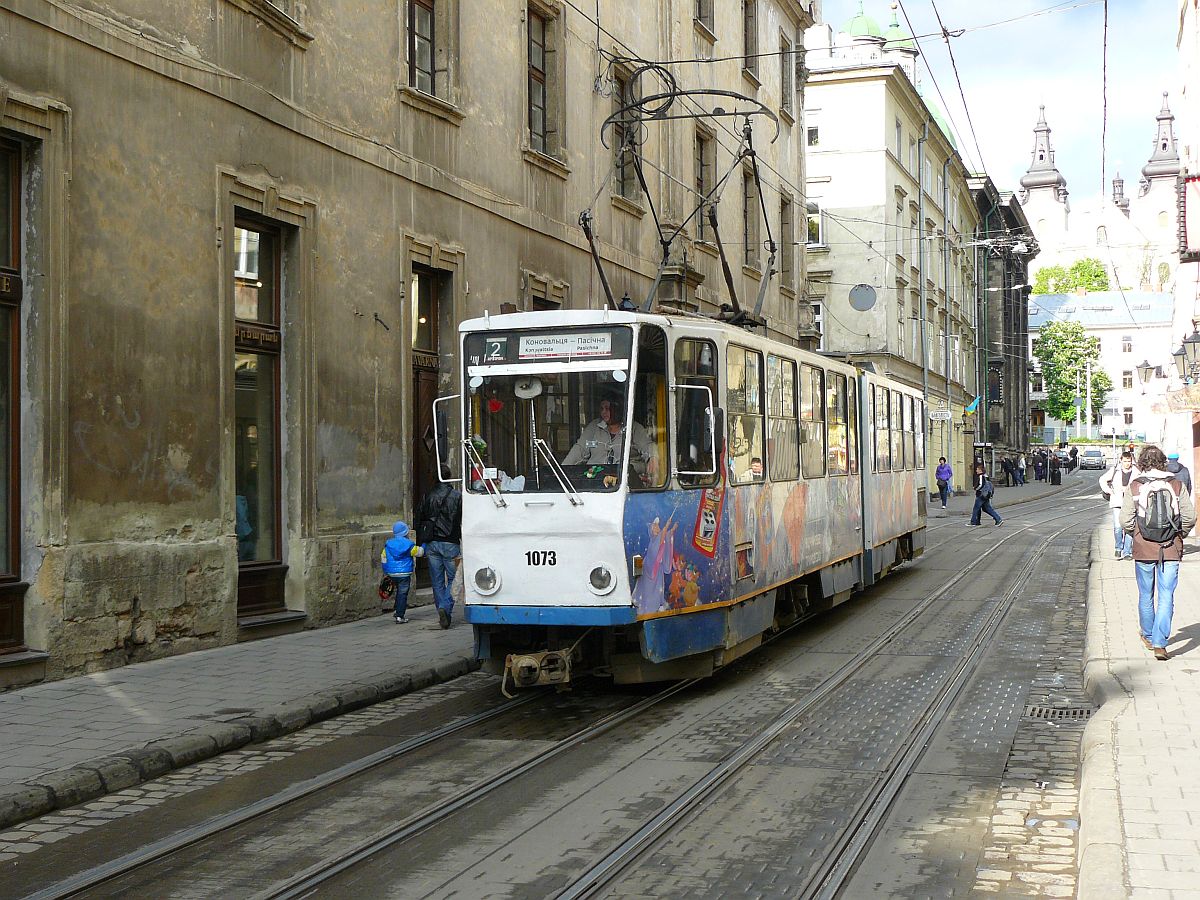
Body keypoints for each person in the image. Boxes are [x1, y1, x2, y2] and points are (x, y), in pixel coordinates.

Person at [1121, 445, 1197, 660]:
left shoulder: (1135, 486)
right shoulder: (1176, 484)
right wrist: (1178, 534)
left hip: (1143, 548)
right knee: (1166, 595)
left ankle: (1147, 634)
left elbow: (1125, 519)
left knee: (1146, 595)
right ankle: (1160, 643)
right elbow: (1190, 518)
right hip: (1171, 548)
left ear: (1141, 463)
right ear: (1164, 461)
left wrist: (1137, 534)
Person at [563, 396, 657, 478]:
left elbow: (647, 446)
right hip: (595, 481)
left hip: (625, 482)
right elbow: (580, 449)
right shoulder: (594, 427)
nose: (603, 412)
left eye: (607, 408)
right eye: (601, 408)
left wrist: (652, 457)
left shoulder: (633, 428)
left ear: (617, 409)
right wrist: (562, 470)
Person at [417, 464, 463, 629]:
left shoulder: (427, 495)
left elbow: (419, 518)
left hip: (432, 543)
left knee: (436, 581)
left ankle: (442, 612)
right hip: (450, 542)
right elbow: (462, 519)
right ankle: (446, 606)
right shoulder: (457, 496)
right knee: (453, 578)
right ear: (448, 476)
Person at [380, 521, 423, 623]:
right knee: (402, 594)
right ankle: (399, 615)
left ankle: (396, 609)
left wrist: (386, 570)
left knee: (397, 593)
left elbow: (383, 557)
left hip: (391, 573)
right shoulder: (409, 545)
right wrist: (423, 547)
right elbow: (419, 553)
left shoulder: (388, 544)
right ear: (405, 532)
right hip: (404, 573)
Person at [1100, 451, 1136, 559]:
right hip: (1117, 502)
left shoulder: (1136, 471)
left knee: (1130, 527)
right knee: (1118, 527)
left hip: (1131, 503)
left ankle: (1127, 551)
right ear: (1121, 460)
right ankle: (1118, 548)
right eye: (1125, 461)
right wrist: (1109, 491)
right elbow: (1102, 480)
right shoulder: (1115, 470)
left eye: (1129, 461)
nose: (1127, 463)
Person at [967, 462, 1002, 527]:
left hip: (981, 495)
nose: (976, 470)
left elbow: (981, 485)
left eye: (977, 469)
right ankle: (998, 519)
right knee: (987, 509)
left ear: (980, 470)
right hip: (986, 495)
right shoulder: (986, 476)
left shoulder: (981, 476)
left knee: (976, 508)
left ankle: (973, 522)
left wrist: (976, 488)